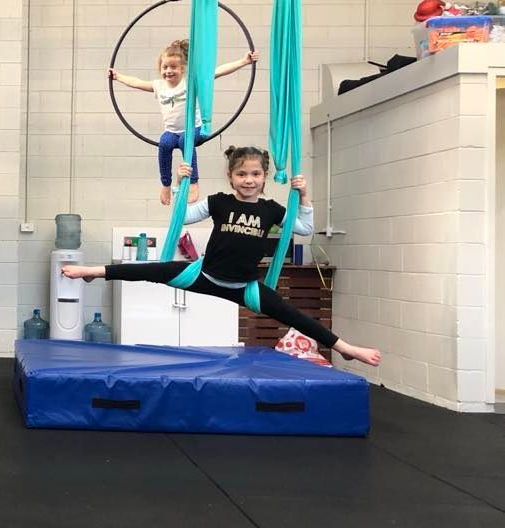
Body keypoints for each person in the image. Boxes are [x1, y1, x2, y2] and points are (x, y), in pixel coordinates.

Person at [62, 145, 382, 367]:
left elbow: (304, 227)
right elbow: (182, 217)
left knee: (294, 315)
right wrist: (179, 184)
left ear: (264, 178)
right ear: (231, 177)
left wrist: (304, 195)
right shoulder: (219, 202)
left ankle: (345, 348)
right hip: (204, 275)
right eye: (242, 174)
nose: (249, 180)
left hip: (245, 287)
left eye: (255, 174)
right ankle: (94, 271)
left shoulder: (270, 210)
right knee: (151, 269)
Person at [108, 39, 257, 205]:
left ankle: (193, 182)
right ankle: (165, 184)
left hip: (195, 129)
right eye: (165, 67)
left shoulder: (190, 83)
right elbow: (136, 82)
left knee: (185, 140)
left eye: (173, 67)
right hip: (172, 132)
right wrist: (118, 76)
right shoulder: (159, 86)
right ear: (160, 69)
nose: (168, 71)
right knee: (165, 143)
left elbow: (216, 72)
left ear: (182, 69)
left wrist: (244, 61)